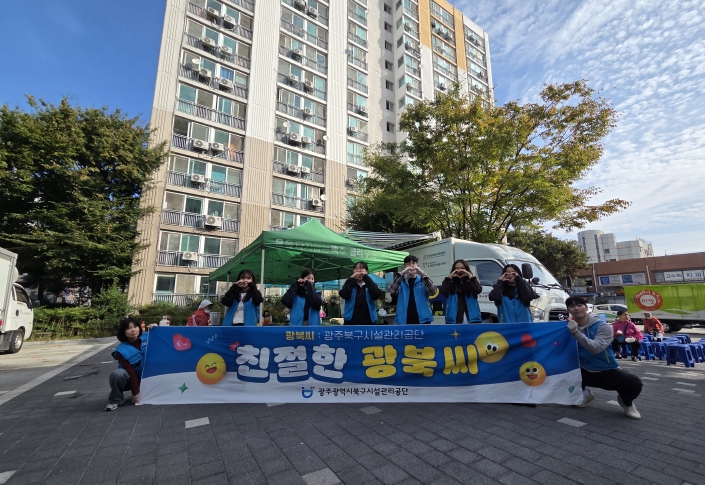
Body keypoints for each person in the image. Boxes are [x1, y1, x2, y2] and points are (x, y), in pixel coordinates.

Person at [565, 296, 643, 419]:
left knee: (633, 382)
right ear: (568, 310)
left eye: (579, 305)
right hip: (582, 370)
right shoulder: (566, 327)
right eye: (572, 306)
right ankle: (584, 394)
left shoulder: (603, 327)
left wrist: (575, 332)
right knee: (559, 372)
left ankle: (626, 402)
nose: (576, 308)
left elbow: (595, 348)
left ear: (586, 307)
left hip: (606, 370)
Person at [106, 317, 153, 411]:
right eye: (129, 328)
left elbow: (164, 339)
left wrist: (157, 329)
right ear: (123, 332)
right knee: (117, 374)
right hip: (132, 379)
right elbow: (131, 372)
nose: (133, 330)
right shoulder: (120, 351)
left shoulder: (149, 336)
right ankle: (116, 399)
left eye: (135, 326)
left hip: (150, 376)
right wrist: (136, 393)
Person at [388, 255, 436, 325]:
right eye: (408, 264)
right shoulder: (400, 280)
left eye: (413, 263)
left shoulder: (423, 280)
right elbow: (391, 290)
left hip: (423, 319)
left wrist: (422, 274)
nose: (411, 266)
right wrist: (402, 274)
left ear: (417, 265)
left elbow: (433, 292)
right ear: (404, 267)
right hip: (404, 319)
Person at [440, 259, 483, 324]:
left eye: (462, 268)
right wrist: (450, 277)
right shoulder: (450, 282)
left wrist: (470, 276)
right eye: (456, 269)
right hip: (454, 319)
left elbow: (478, 290)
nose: (459, 271)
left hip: (472, 319)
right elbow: (443, 291)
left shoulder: (471, 282)